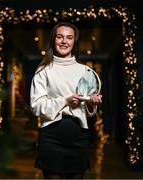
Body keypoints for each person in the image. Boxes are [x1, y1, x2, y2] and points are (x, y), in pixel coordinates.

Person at [30, 21, 102, 179]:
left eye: (69, 37)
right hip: (51, 137)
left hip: (78, 135)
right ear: (53, 40)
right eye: (60, 37)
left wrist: (91, 103)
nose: (64, 41)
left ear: (74, 41)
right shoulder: (43, 70)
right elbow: (36, 106)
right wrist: (65, 101)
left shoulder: (85, 71)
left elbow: (89, 112)